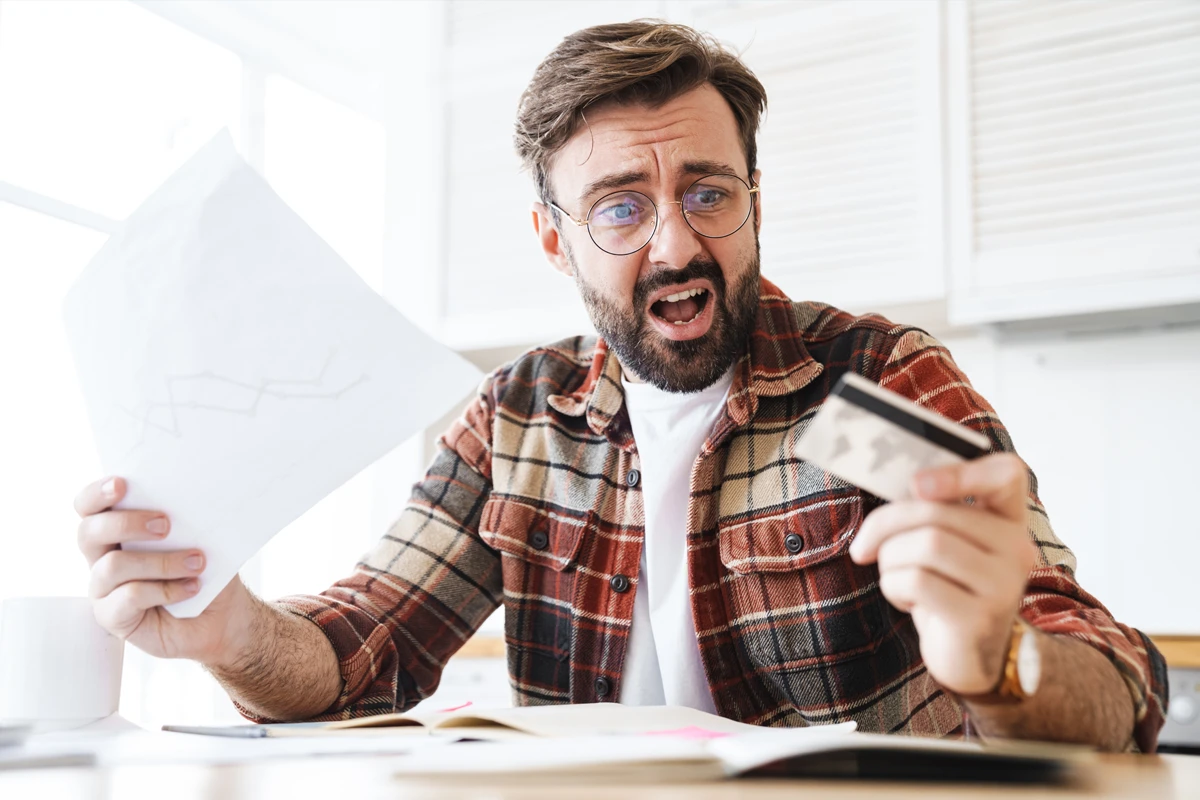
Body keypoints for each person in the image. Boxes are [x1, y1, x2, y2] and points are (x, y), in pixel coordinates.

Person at [73, 21, 1166, 751]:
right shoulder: (517, 420)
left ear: (752, 196)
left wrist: (1000, 660)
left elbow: (1118, 682)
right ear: (554, 239)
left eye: (708, 191)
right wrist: (228, 630)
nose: (678, 244)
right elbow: (368, 646)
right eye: (620, 207)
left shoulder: (866, 386)